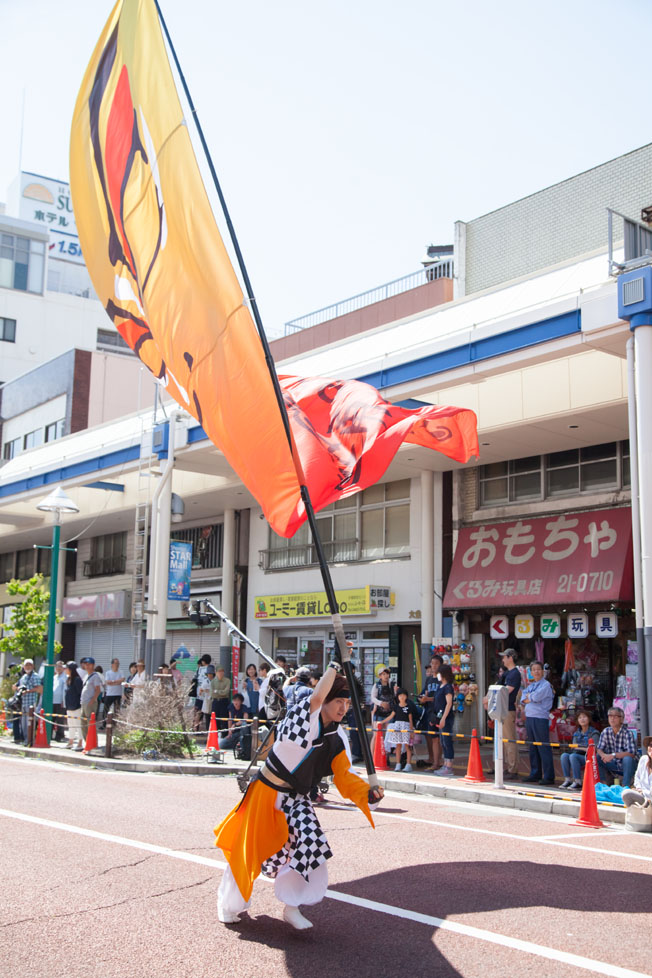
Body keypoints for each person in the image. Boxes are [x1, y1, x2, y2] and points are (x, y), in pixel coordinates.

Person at [214, 659, 384, 930]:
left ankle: (292, 906)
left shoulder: (337, 737)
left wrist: (367, 794)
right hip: (266, 793)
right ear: (326, 699)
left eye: (348, 704)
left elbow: (345, 776)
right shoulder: (303, 713)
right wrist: (333, 666)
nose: (343, 708)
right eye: (339, 701)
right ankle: (228, 904)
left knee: (310, 844)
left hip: (297, 798)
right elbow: (315, 698)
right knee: (249, 852)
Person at [521, 660, 555, 785]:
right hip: (529, 718)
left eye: (538, 669)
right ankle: (535, 773)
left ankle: (548, 776)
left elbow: (534, 697)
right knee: (532, 747)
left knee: (543, 747)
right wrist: (530, 697)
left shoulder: (545, 685)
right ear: (530, 672)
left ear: (543, 671)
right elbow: (523, 699)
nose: (536, 671)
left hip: (540, 718)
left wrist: (530, 697)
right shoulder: (531, 686)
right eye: (533, 669)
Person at [494, 649, 521, 780]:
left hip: (508, 708)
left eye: (504, 657)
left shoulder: (515, 674)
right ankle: (506, 766)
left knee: (509, 739)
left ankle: (512, 768)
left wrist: (490, 698)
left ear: (510, 657)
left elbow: (506, 691)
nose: (503, 660)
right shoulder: (507, 673)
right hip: (502, 708)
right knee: (504, 740)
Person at [559, 709, 600, 789]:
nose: (582, 719)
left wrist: (580, 747)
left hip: (589, 757)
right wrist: (581, 747)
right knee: (564, 755)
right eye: (580, 718)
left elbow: (594, 749)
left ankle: (578, 781)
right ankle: (567, 780)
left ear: (589, 719)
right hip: (577, 754)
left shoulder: (594, 732)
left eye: (584, 717)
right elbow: (574, 746)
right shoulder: (576, 733)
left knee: (573, 756)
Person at [597, 706, 637, 787]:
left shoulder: (628, 733)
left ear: (621, 719)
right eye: (610, 716)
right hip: (613, 764)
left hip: (627, 766)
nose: (612, 719)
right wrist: (603, 755)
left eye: (615, 716)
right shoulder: (605, 731)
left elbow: (631, 753)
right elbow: (599, 749)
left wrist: (613, 755)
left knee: (627, 759)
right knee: (597, 757)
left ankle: (625, 787)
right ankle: (603, 785)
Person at [419, 654, 443, 771]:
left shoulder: (442, 679)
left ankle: (437, 762)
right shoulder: (429, 679)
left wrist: (428, 699)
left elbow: (441, 697)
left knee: (438, 738)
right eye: (432, 663)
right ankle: (433, 759)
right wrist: (422, 698)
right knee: (432, 736)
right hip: (429, 711)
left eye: (436, 664)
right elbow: (426, 693)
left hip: (439, 712)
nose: (433, 666)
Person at [382, 688, 416, 772]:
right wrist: (381, 722)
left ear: (406, 696)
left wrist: (411, 731)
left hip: (406, 727)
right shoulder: (396, 707)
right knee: (398, 746)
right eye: (400, 695)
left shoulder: (409, 707)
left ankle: (408, 764)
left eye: (404, 695)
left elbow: (411, 720)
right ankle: (398, 764)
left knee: (407, 746)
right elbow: (391, 716)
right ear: (397, 697)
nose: (402, 697)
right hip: (397, 726)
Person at [12, 659, 42, 747]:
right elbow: (18, 687)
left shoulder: (35, 676)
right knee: (24, 723)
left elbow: (39, 688)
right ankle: (25, 740)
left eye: (29, 665)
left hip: (31, 703)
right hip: (23, 702)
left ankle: (30, 740)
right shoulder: (24, 677)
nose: (28, 667)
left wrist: (28, 691)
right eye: (26, 665)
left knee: (30, 723)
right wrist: (17, 689)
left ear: (33, 666)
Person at [432, 664, 456, 777]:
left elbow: (449, 703)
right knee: (443, 741)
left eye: (439, 673)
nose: (437, 675)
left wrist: (443, 718)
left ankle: (449, 765)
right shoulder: (440, 686)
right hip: (439, 717)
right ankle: (445, 764)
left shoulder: (448, 687)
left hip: (446, 718)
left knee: (447, 741)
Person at [623, 737, 652, 808]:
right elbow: (637, 777)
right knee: (626, 794)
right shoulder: (643, 759)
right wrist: (639, 789)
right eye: (650, 745)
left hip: (650, 798)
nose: (651, 748)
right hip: (644, 797)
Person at [79, 657, 102, 747]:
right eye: (86, 664)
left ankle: (93, 743)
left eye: (89, 664)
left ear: (93, 665)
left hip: (90, 703)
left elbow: (98, 690)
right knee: (83, 723)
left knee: (90, 723)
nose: (87, 666)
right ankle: (87, 742)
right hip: (83, 702)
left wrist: (92, 701)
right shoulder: (86, 676)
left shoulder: (95, 676)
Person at [370, 667, 394, 753]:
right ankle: (372, 757)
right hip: (378, 713)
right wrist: (381, 703)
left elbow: (395, 696)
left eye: (387, 674)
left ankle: (384, 757)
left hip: (389, 713)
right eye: (383, 674)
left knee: (386, 735)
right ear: (380, 676)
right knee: (376, 735)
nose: (386, 676)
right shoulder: (376, 685)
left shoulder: (391, 684)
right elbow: (373, 698)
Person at [64, 661, 84, 750]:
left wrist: (79, 704)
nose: (65, 670)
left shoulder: (77, 680)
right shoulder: (68, 679)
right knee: (71, 724)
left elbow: (80, 693)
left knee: (78, 724)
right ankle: (70, 742)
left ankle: (80, 743)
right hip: (69, 706)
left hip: (76, 706)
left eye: (66, 668)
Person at [51, 660, 68, 742]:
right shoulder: (54, 677)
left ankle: (59, 735)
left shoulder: (65, 677)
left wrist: (63, 701)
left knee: (60, 719)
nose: (58, 668)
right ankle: (50, 735)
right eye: (57, 666)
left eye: (60, 666)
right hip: (52, 701)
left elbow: (64, 690)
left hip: (60, 701)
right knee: (51, 718)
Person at [211, 665, 231, 730]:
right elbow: (212, 694)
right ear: (216, 672)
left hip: (224, 701)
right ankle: (216, 734)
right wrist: (220, 692)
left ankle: (224, 734)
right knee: (215, 719)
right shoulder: (213, 681)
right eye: (219, 671)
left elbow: (226, 692)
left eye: (222, 671)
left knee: (224, 719)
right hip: (216, 701)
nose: (221, 673)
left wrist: (217, 691)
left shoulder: (227, 681)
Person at [200, 665, 216, 729]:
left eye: (211, 673)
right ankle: (208, 732)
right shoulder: (205, 681)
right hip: (207, 700)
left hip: (214, 700)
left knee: (214, 716)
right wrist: (204, 690)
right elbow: (201, 690)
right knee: (207, 717)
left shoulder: (216, 680)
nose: (209, 675)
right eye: (208, 674)